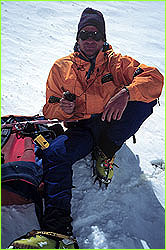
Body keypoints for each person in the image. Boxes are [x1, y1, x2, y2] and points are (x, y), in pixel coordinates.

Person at [9, 7, 164, 249]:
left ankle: (106, 150)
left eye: (96, 35)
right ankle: (58, 234)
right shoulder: (61, 68)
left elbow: (155, 78)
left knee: (144, 100)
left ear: (103, 39)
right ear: (77, 37)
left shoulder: (117, 63)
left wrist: (126, 92)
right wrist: (64, 110)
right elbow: (49, 108)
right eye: (85, 34)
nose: (90, 40)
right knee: (54, 154)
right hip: (81, 129)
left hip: (111, 122)